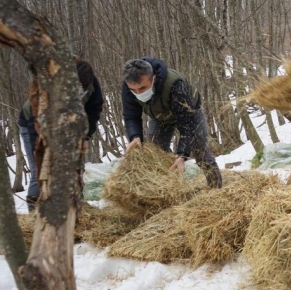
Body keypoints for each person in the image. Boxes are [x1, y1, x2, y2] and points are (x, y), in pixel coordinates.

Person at [121, 57, 222, 189]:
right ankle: (166, 192)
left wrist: (182, 155)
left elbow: (187, 123)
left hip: (190, 114)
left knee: (201, 153)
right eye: (134, 90)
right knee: (155, 154)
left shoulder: (175, 85)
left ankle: (216, 189)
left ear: (154, 78)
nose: (138, 93)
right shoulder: (128, 86)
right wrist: (135, 136)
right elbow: (131, 116)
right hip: (159, 116)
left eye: (143, 88)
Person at [18, 59, 104, 211]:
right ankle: (35, 216)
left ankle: (77, 212)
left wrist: (85, 136)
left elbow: (93, 110)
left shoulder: (91, 84)